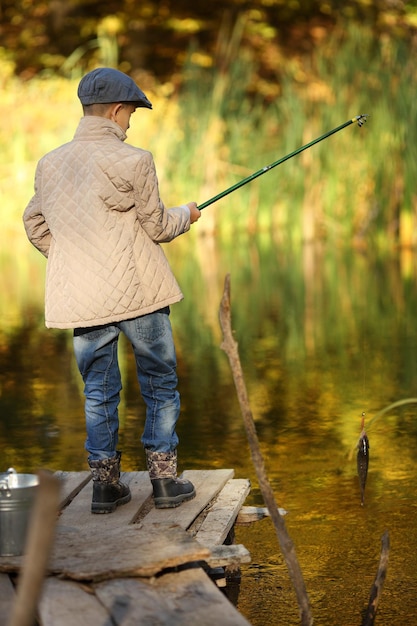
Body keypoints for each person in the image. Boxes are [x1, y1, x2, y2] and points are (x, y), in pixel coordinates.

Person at [23, 67, 201, 513]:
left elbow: (35, 223)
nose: (129, 124)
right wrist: (189, 213)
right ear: (118, 110)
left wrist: (72, 260)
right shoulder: (134, 160)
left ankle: (105, 486)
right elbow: (158, 226)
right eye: (130, 116)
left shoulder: (50, 163)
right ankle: (163, 482)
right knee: (159, 381)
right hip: (140, 293)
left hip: (83, 300)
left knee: (98, 391)